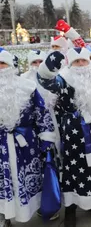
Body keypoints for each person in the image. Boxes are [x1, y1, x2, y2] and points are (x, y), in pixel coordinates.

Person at [37, 47, 91, 227]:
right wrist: (48, 66)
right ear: (70, 64)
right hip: (71, 132)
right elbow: (46, 81)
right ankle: (71, 208)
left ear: (89, 62)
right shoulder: (64, 81)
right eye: (76, 62)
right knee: (71, 169)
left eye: (84, 61)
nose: (81, 65)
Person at [0, 48, 56, 227]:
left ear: (10, 66)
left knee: (32, 177)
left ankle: (41, 207)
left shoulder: (27, 87)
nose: (0, 68)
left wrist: (46, 138)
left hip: (26, 143)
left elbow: (41, 112)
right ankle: (4, 214)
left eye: (3, 64)